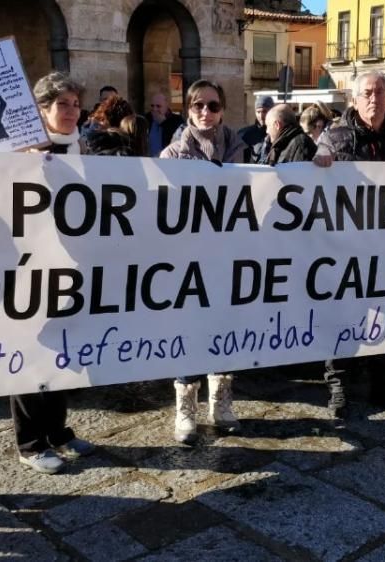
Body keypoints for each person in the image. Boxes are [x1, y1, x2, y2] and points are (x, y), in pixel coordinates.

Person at [312, 70, 385, 422]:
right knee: (342, 310)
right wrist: (319, 164)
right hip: (345, 242)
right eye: (367, 93)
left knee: (383, 311)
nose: (374, 98)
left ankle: (382, 383)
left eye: (380, 92)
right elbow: (315, 180)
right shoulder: (334, 136)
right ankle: (338, 382)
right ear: (355, 99)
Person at [10, 72, 96, 474]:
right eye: (62, 104)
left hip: (73, 263)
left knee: (63, 348)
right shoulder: (17, 150)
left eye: (76, 104)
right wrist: (16, 165)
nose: (71, 111)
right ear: (42, 109)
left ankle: (58, 432)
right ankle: (30, 443)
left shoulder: (83, 145)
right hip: (28, 266)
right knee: (28, 350)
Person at [160, 79, 244, 443]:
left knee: (225, 326)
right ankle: (185, 408)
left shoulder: (241, 149)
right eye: (198, 106)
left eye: (212, 105)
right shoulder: (172, 155)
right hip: (187, 259)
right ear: (188, 110)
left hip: (228, 257)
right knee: (188, 329)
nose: (206, 112)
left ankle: (221, 402)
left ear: (222, 108)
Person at [144, 92, 183, 157]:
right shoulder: (146, 119)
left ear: (166, 106)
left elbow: (177, 141)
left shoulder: (177, 120)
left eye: (158, 106)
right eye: (152, 106)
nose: (155, 109)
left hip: (167, 160)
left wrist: (164, 123)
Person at [238, 95, 274, 163]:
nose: (261, 116)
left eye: (264, 111)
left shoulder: (278, 134)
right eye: (258, 112)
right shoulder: (245, 134)